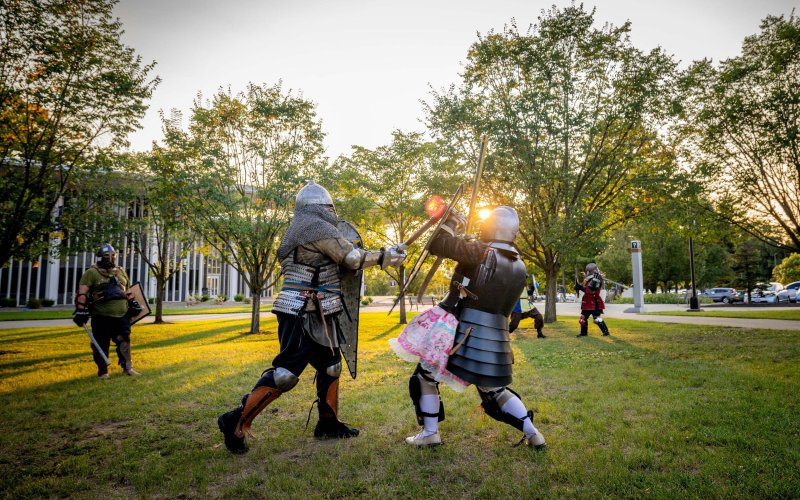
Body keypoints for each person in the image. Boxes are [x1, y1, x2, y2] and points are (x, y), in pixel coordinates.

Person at [217, 180, 407, 454]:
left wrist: (385, 253)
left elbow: (342, 257)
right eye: (329, 206)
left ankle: (328, 424)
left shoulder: (304, 227)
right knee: (285, 375)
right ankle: (235, 420)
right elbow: (351, 258)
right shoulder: (312, 227)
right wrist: (384, 256)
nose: (332, 211)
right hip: (300, 311)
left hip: (320, 310)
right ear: (321, 207)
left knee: (331, 366)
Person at [390, 206, 546, 449]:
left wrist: (452, 223)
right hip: (494, 339)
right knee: (495, 392)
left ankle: (431, 433)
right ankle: (534, 434)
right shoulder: (520, 264)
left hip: (459, 331)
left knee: (424, 376)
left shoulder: (479, 251)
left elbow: (438, 243)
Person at [73, 244, 142, 378]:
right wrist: (80, 311)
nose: (110, 258)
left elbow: (127, 291)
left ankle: (128, 368)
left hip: (122, 315)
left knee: (124, 341)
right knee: (101, 343)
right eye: (106, 256)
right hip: (101, 316)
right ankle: (103, 372)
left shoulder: (120, 272)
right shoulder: (91, 273)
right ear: (100, 257)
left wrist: (133, 303)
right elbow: (82, 293)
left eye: (112, 256)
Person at [574, 263, 611, 337]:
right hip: (587, 301)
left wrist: (581, 288)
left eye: (588, 271)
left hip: (594, 302)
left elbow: (591, 291)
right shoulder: (589, 279)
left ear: (589, 271)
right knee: (583, 318)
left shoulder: (596, 279)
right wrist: (579, 287)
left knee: (596, 319)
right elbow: (588, 290)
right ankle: (583, 333)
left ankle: (606, 332)